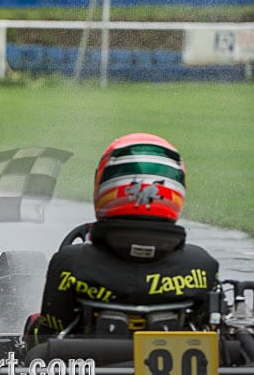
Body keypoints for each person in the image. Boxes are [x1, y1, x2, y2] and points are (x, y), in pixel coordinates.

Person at [27, 133, 219, 343]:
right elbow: (205, 327)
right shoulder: (202, 265)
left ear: (106, 185)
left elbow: (51, 329)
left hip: (89, 368)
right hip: (182, 372)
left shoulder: (70, 263)